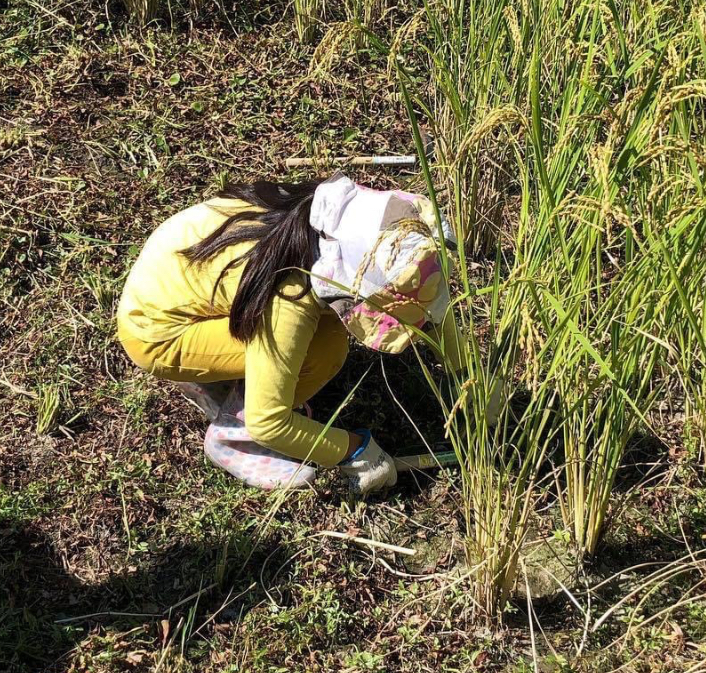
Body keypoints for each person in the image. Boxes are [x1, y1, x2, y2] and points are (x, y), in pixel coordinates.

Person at [116, 175, 456, 496]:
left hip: (182, 280)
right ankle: (233, 438)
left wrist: (468, 372)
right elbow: (269, 422)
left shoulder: (337, 221)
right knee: (323, 350)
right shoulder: (288, 292)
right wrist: (355, 451)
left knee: (318, 335)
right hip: (157, 332)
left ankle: (223, 376)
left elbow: (429, 294)